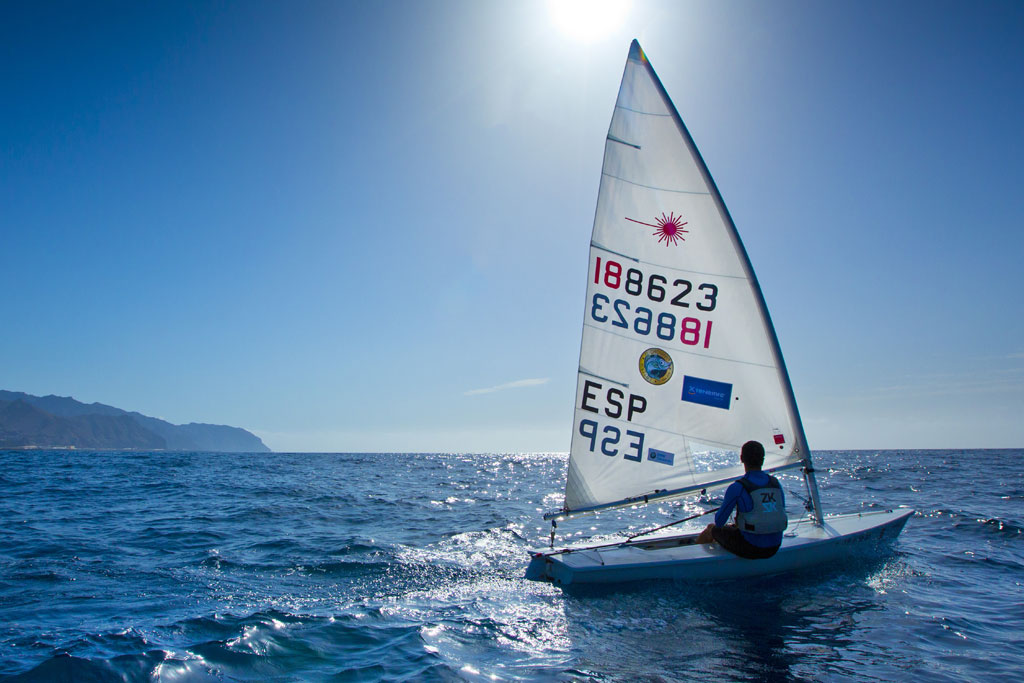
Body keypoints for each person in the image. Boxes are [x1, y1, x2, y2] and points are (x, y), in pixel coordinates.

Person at [696, 440, 787, 559]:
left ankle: (694, 555)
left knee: (711, 529)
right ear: (763, 459)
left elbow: (719, 522)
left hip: (751, 547)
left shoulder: (737, 487)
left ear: (742, 458)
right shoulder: (775, 484)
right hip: (775, 546)